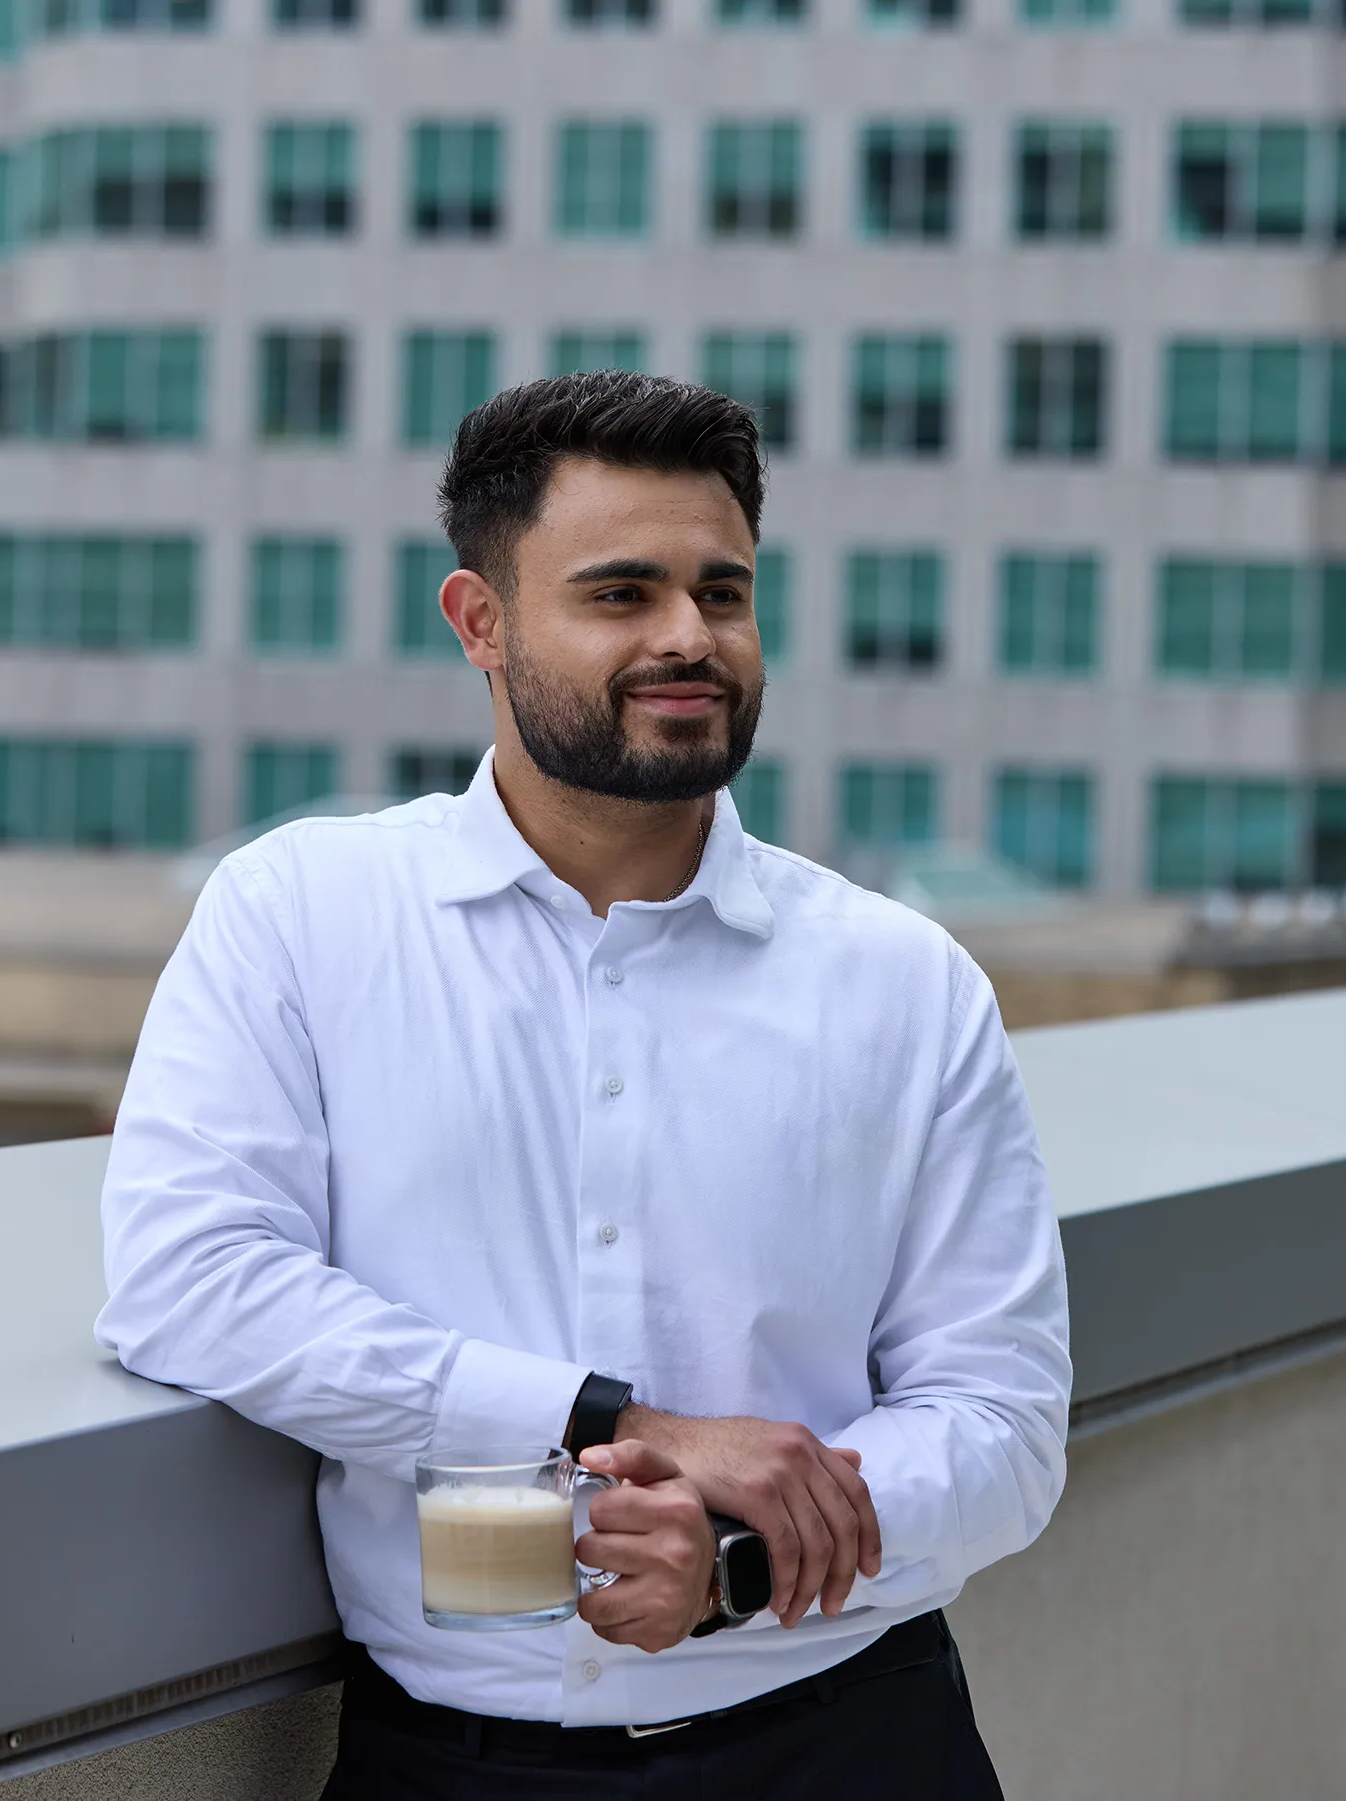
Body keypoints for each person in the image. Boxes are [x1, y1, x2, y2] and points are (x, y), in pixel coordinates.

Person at [96, 371, 1072, 1798]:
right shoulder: (304, 913)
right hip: (445, 1764)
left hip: (850, 1746)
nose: (689, 638)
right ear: (480, 623)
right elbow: (187, 1278)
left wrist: (738, 1565)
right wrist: (613, 1422)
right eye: (622, 594)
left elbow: (1001, 1425)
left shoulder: (903, 982)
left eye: (722, 594)